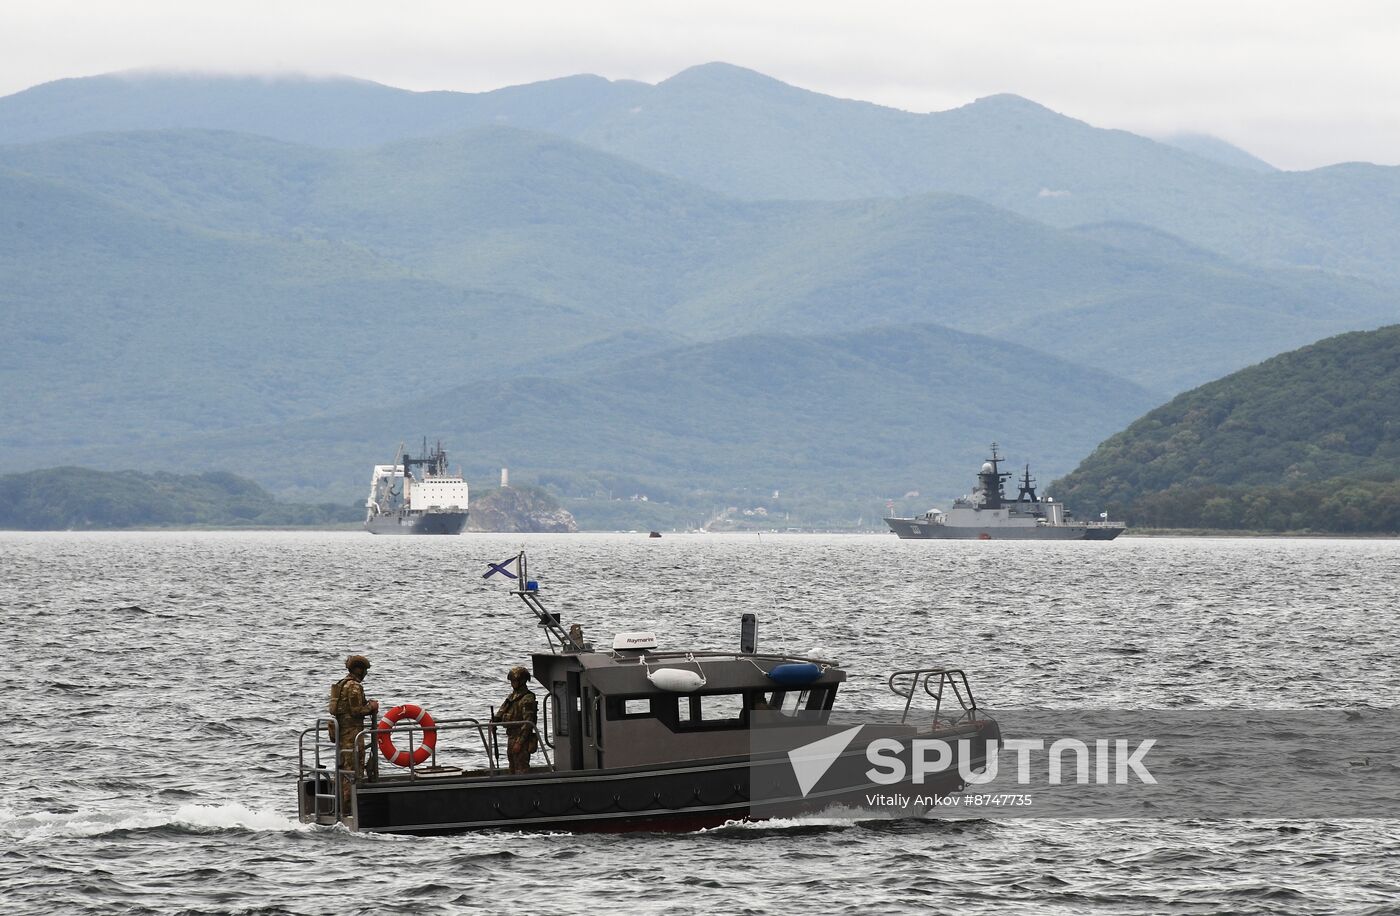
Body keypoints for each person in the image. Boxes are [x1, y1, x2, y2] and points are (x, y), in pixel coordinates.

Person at [329, 654, 379, 778]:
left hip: (342, 734)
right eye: (364, 670)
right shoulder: (354, 686)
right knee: (353, 767)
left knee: (344, 766)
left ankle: (343, 794)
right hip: (352, 735)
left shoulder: (341, 684)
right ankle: (349, 796)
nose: (365, 673)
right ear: (358, 669)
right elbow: (356, 710)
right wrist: (372, 707)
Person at [492, 666, 538, 774]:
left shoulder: (527, 698)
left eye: (514, 681)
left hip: (521, 738)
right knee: (512, 767)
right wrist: (494, 721)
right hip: (511, 736)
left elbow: (528, 723)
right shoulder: (512, 697)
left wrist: (520, 742)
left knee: (521, 767)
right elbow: (502, 710)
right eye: (511, 681)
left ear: (521, 681)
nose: (512, 683)